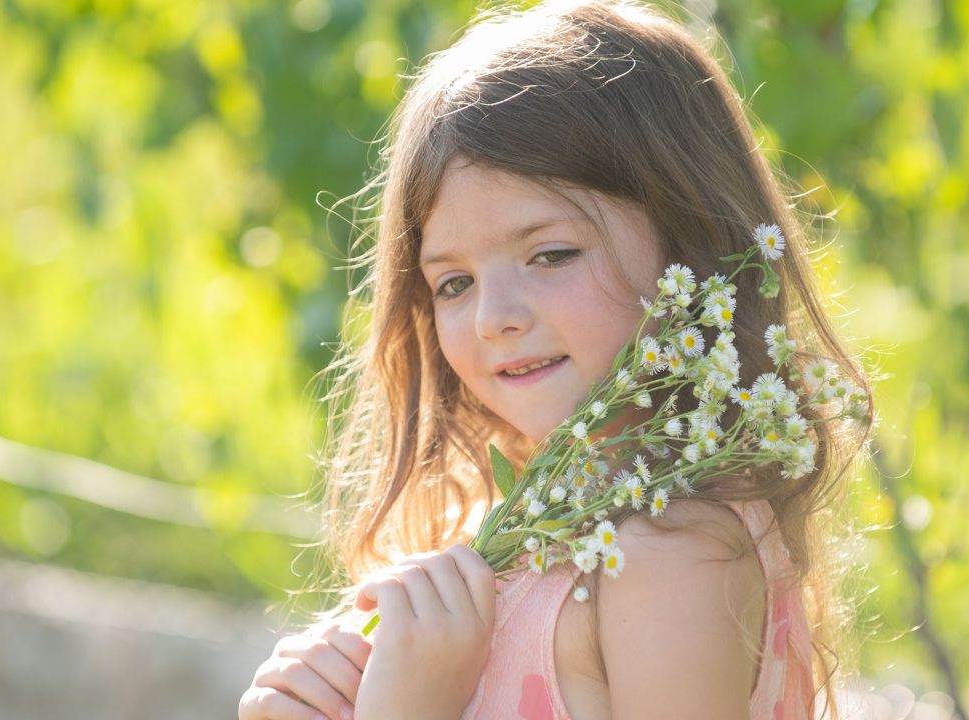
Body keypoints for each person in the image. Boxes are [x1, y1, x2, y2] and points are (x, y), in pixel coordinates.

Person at [239, 1, 873, 719]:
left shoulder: (670, 556)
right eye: (455, 283)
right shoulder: (501, 535)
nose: (494, 318)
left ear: (689, 243)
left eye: (551, 255)